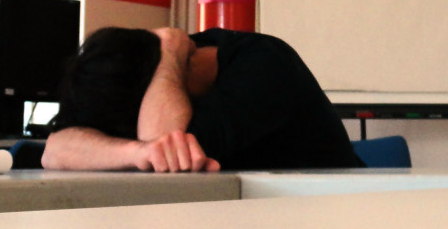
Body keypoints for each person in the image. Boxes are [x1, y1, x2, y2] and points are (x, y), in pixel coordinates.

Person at [41, 26, 364, 172]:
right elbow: (55, 150)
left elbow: (167, 148)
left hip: (333, 212)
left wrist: (169, 55)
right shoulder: (137, 68)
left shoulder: (265, 65)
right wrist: (135, 151)